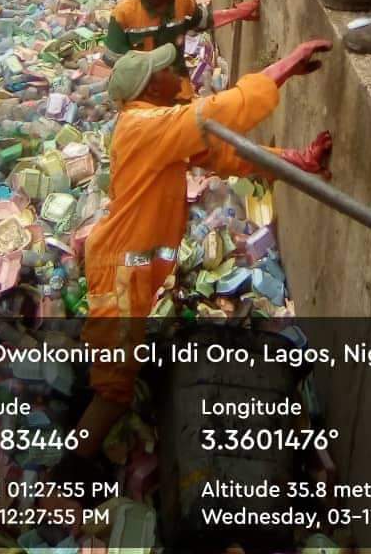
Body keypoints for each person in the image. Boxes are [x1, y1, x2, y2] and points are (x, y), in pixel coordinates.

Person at [79, 39, 333, 457]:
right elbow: (218, 112)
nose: (175, 73)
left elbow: (224, 153)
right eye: (165, 71)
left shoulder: (156, 129)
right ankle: (68, 474)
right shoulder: (144, 125)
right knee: (112, 388)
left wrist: (298, 160)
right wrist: (285, 67)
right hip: (120, 266)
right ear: (150, 87)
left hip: (132, 261)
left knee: (117, 367)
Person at [103, 0, 261, 99]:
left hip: (180, 89)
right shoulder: (123, 14)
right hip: (146, 97)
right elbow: (116, 64)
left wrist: (238, 13)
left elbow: (204, 21)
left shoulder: (182, 0)